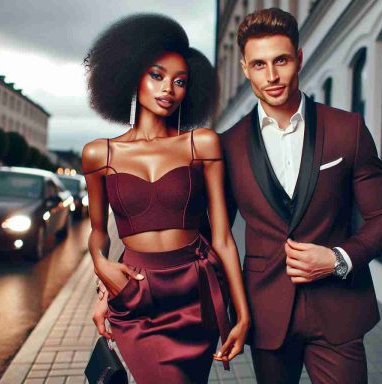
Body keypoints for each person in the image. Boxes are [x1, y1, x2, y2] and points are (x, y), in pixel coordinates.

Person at [220, 8, 382, 384]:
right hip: (265, 310)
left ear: (298, 59)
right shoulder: (229, 146)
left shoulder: (346, 128)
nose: (271, 76)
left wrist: (338, 258)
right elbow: (213, 235)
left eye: (281, 60)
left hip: (339, 309)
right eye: (258, 64)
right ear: (244, 68)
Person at [81, 14, 250, 384]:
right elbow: (98, 231)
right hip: (137, 293)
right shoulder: (99, 154)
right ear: (132, 76)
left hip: (197, 294)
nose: (168, 89)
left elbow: (222, 236)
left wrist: (242, 312)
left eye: (180, 82)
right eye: (156, 76)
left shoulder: (200, 143)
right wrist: (100, 265)